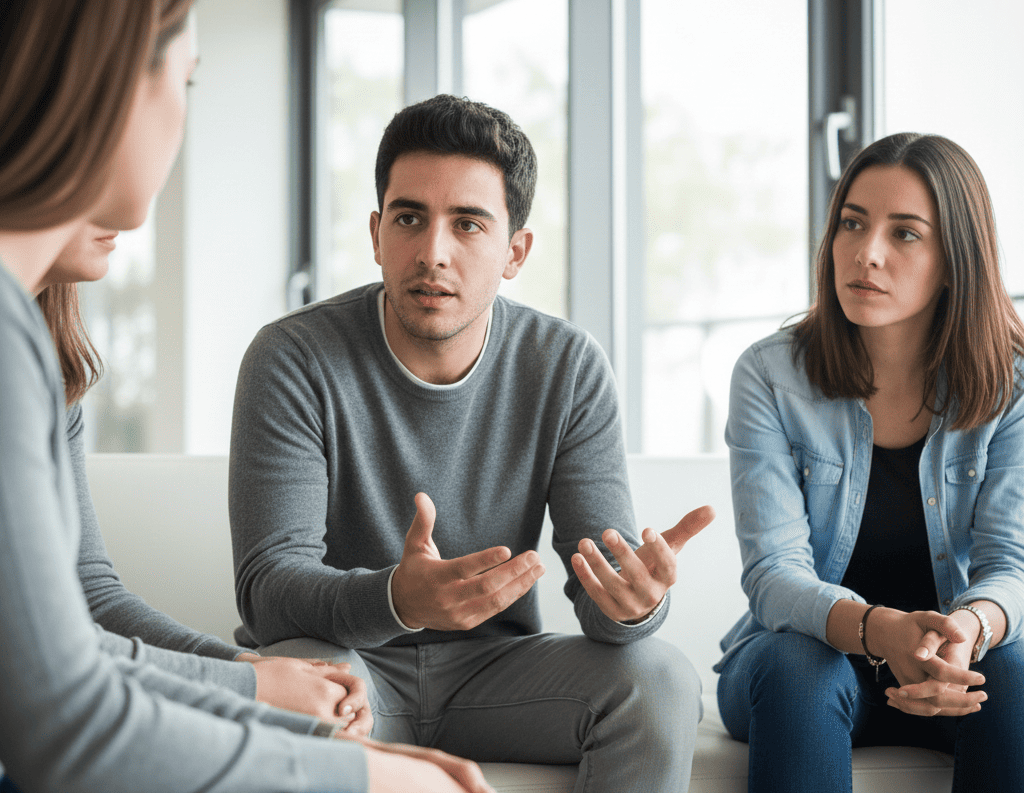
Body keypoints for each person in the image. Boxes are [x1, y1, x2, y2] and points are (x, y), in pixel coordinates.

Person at [0, 2, 494, 791]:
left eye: (469, 224)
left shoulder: (32, 336)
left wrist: (253, 686)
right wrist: (370, 777)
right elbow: (66, 720)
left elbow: (76, 626)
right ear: (104, 86)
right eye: (185, 79)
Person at [229, 93, 714, 793]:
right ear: (375, 233)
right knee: (303, 688)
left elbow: (602, 590)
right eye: (409, 218)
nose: (433, 253)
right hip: (346, 659)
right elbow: (268, 594)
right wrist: (397, 599)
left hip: (501, 674)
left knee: (661, 678)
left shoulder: (566, 365)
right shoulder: (293, 357)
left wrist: (633, 603)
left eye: (468, 225)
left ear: (515, 250)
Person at [715, 132, 1024, 792]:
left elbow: (1010, 565)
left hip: (954, 662)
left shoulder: (1012, 385)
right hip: (812, 658)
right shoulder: (770, 375)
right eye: (852, 223)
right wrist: (880, 631)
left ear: (954, 260)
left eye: (904, 233)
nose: (866, 252)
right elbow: (774, 574)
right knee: (801, 665)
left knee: (1014, 668)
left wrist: (967, 631)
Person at [37, 225, 373, 733]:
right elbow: (43, 645)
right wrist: (251, 687)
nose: (129, 215)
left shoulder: (49, 381)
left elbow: (91, 595)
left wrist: (243, 668)